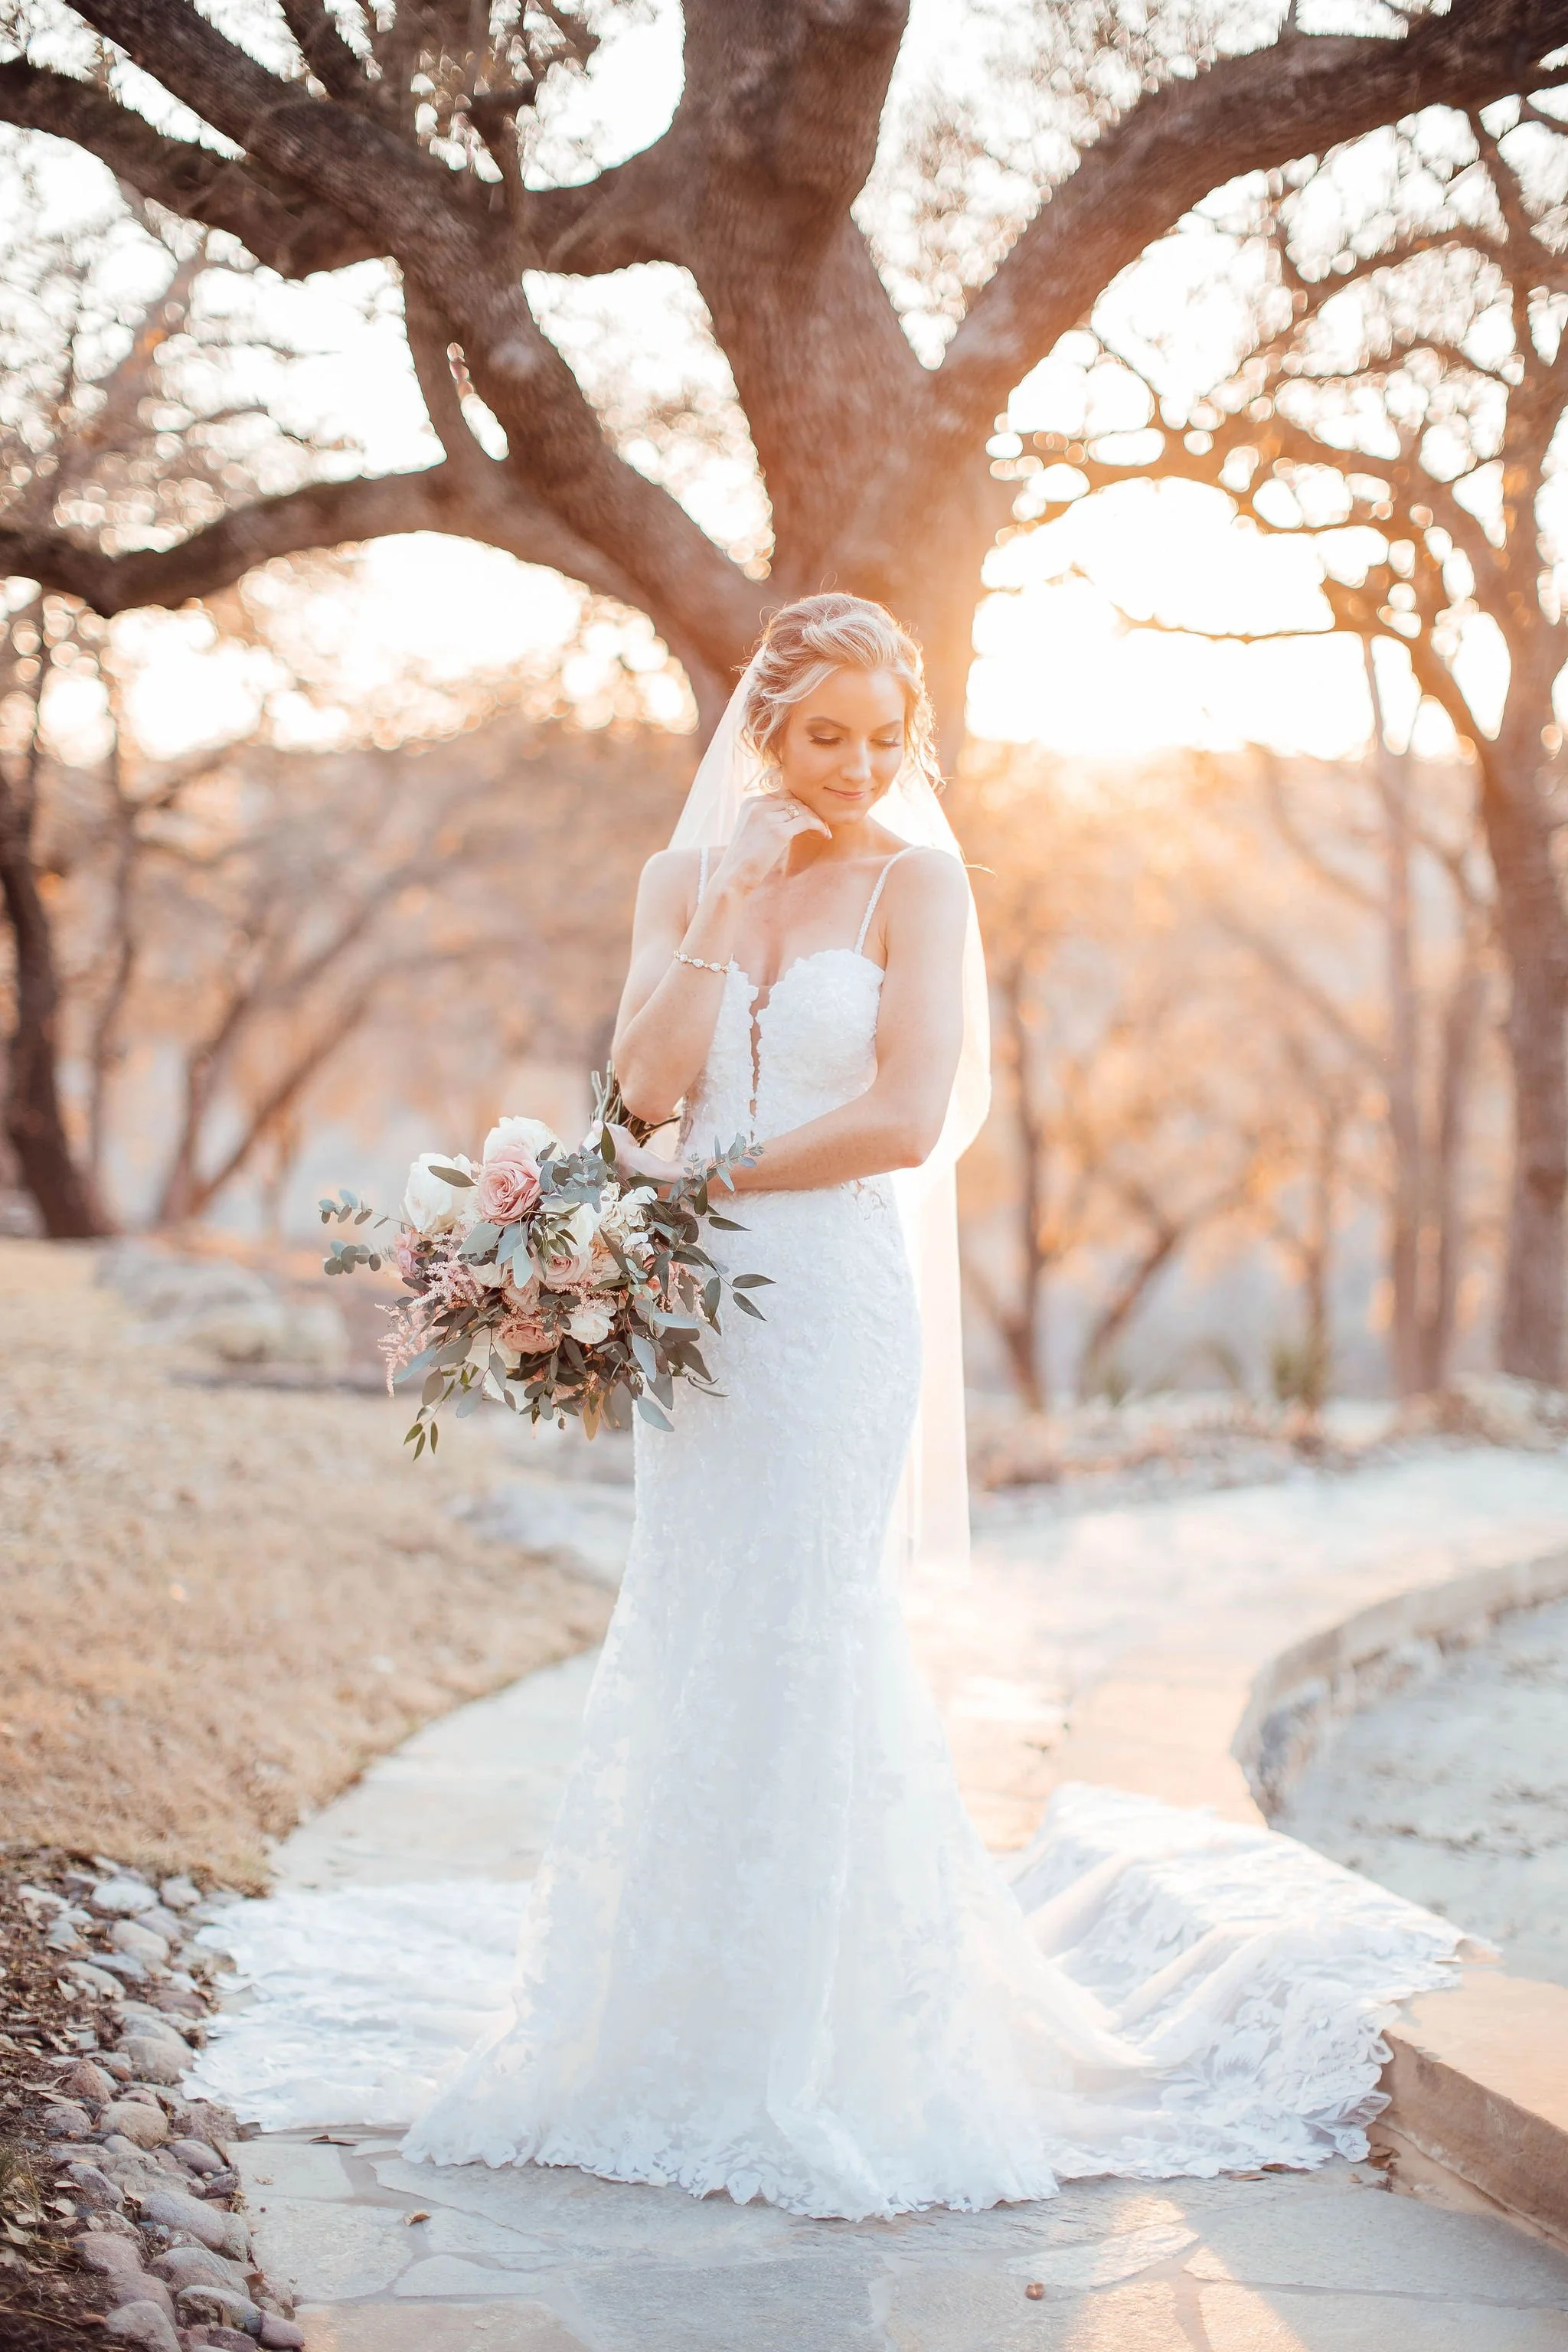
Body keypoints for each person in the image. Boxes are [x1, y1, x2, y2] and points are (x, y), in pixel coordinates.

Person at [400, 596, 1466, 2216]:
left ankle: (834, 2042)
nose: (856, 764)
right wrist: (723, 918)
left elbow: (904, 1114)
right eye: (825, 734)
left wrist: (709, 1193)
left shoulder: (921, 883)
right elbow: (637, 1100)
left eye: (884, 737)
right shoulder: (683, 879)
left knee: (811, 1618)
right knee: (694, 1613)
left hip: (824, 1301)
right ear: (765, 727)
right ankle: (665, 2024)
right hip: (696, 1320)